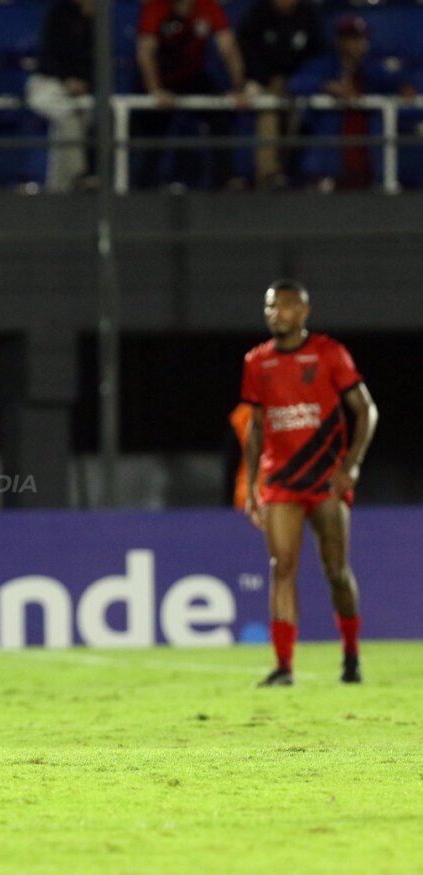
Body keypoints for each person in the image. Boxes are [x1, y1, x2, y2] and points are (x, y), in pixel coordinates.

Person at [240, 279, 378, 687]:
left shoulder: (329, 354)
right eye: (269, 307)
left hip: (325, 480)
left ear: (303, 312)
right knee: (281, 566)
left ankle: (351, 655)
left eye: (283, 307)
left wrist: (351, 465)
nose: (274, 314)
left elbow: (366, 411)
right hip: (281, 481)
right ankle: (284, 667)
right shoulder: (256, 363)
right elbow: (257, 427)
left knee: (336, 572)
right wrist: (250, 485)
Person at [287, 15, 416, 191]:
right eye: (352, 39)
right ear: (340, 41)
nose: (359, 44)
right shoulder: (323, 66)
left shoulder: (370, 69)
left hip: (367, 164)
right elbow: (295, 84)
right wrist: (327, 86)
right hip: (330, 165)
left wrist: (404, 87)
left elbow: (397, 81)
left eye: (362, 38)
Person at [133, 0, 248, 190]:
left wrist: (238, 88)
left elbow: (228, 47)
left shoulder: (208, 6)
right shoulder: (156, 7)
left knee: (219, 116)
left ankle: (224, 180)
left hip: (190, 75)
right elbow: (146, 52)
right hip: (160, 77)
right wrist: (155, 90)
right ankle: (144, 188)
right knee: (153, 130)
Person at [235, 0, 324, 188]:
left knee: (298, 112)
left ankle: (292, 173)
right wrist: (268, 78)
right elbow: (246, 50)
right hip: (262, 83)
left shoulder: (308, 15)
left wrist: (295, 81)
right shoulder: (258, 14)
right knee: (269, 108)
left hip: (299, 85)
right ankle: (269, 175)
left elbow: (317, 54)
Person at [26, 0, 95, 193]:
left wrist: (84, 82)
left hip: (79, 90)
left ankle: (59, 186)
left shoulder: (94, 21)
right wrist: (67, 79)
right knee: (68, 117)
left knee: (81, 121)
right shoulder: (57, 14)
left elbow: (95, 62)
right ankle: (77, 175)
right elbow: (50, 55)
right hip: (47, 84)